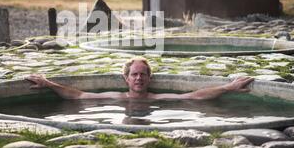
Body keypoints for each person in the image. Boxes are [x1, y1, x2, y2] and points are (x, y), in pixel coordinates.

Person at [25, 57, 254, 100]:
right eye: (134, 74)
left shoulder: (156, 98)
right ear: (126, 78)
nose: (138, 78)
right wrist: (47, 83)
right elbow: (78, 95)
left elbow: (194, 95)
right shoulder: (116, 97)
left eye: (142, 74)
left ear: (149, 78)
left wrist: (228, 87)